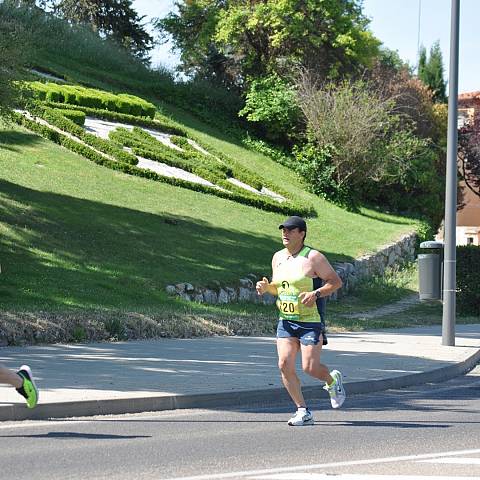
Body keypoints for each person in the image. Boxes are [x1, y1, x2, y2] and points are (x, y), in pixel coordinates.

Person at [256, 215, 345, 426]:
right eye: (283, 230)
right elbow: (278, 287)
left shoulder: (313, 257)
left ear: (301, 234)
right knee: (284, 364)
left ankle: (332, 381)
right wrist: (266, 288)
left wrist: (316, 293)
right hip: (286, 320)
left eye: (290, 230)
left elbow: (335, 282)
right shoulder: (277, 257)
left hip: (310, 321)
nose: (285, 233)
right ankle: (302, 410)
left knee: (310, 368)